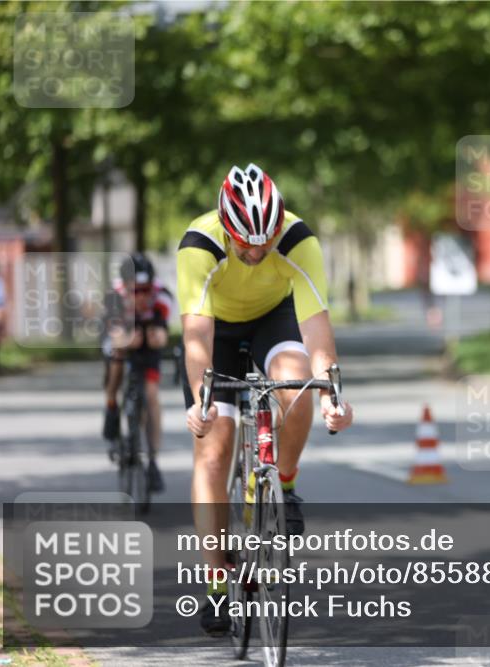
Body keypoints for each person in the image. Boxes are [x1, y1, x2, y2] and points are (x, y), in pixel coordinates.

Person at [178, 163, 354, 635]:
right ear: (226, 228)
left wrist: (333, 394)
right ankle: (217, 582)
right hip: (215, 328)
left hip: (274, 317)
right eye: (245, 242)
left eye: (265, 240)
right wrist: (201, 400)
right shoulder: (200, 244)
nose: (256, 251)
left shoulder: (298, 240)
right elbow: (196, 334)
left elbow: (316, 322)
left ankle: (286, 483)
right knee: (214, 450)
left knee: (297, 389)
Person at [103, 253, 173, 492]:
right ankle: (111, 405)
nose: (141, 297)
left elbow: (162, 336)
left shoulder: (162, 296)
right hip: (123, 334)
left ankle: (152, 460)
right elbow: (115, 337)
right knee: (117, 360)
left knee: (152, 396)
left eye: (145, 290)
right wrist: (125, 340)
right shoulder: (113, 298)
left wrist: (156, 339)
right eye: (135, 291)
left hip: (147, 337)